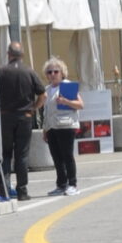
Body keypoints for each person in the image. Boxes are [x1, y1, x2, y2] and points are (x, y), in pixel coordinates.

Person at [0, 41, 42, 201]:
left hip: (5, 116)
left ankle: (4, 189)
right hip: (25, 117)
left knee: (5, 154)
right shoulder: (29, 71)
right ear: (22, 55)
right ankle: (22, 190)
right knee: (21, 155)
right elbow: (42, 94)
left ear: (8, 54)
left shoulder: (0, 72)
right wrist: (34, 107)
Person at [40, 58, 81, 195]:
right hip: (52, 127)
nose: (52, 74)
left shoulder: (67, 86)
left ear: (62, 73)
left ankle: (72, 183)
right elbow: (46, 112)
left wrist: (66, 101)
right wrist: (45, 129)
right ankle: (61, 184)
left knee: (67, 156)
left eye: (55, 71)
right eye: (49, 72)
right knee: (56, 157)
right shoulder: (47, 90)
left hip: (66, 125)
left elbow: (80, 105)